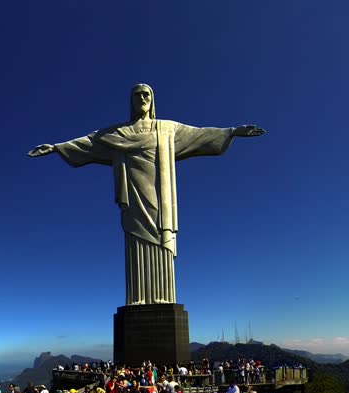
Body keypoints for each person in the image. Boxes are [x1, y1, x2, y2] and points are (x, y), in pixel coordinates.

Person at [29, 83, 265, 306]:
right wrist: (56, 147)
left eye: (146, 95)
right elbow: (90, 142)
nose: (142, 98)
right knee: (136, 242)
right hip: (133, 195)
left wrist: (232, 132)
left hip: (160, 197)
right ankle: (138, 297)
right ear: (131, 101)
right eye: (137, 95)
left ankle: (164, 297)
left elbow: (200, 134)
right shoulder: (117, 133)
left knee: (161, 240)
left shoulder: (167, 129)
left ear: (152, 101)